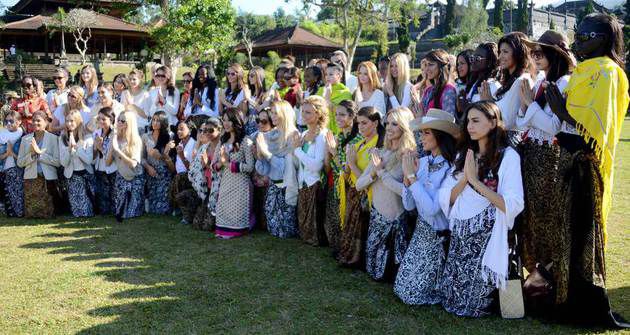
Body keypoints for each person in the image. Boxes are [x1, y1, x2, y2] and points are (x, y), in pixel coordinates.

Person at [544, 13, 629, 327]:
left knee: (583, 234)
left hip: (585, 164)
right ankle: (565, 297)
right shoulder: (583, 71)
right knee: (566, 232)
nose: (577, 41)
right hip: (568, 158)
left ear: (603, 39)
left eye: (585, 36)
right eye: (576, 34)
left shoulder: (607, 73)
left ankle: (586, 304)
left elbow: (598, 126)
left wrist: (562, 111)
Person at [438, 101, 524, 317]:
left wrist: (475, 182)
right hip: (460, 231)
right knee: (452, 300)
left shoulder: (508, 157)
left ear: (493, 122)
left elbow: (512, 203)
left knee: (470, 307)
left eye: (476, 121)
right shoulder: (465, 155)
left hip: (486, 233)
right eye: (468, 121)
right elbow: (447, 197)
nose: (470, 126)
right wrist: (465, 180)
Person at [516, 30, 575, 302]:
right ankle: (537, 277)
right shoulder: (541, 80)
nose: (535, 57)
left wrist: (529, 106)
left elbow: (553, 126)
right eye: (533, 53)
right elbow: (522, 122)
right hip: (531, 155)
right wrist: (526, 108)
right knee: (532, 219)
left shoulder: (564, 83)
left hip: (548, 157)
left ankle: (549, 279)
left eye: (540, 53)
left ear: (555, 54)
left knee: (547, 218)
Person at [394, 108, 459, 305]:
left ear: (441, 136)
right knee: (402, 290)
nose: (421, 137)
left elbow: (432, 210)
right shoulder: (420, 163)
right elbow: (408, 205)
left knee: (411, 295)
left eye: (426, 132)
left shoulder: (452, 170)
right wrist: (407, 180)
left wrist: (412, 179)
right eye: (421, 132)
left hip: (438, 237)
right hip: (420, 234)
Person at [358, 107, 416, 281]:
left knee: (388, 275)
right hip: (376, 218)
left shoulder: (410, 156)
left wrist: (382, 173)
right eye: (388, 123)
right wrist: (374, 173)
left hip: (395, 223)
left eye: (395, 124)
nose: (389, 128)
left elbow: (407, 194)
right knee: (373, 271)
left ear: (404, 127)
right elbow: (359, 184)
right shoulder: (381, 153)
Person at [337, 106, 384, 267]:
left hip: (366, 196)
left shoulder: (378, 147)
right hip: (353, 193)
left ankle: (357, 259)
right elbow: (348, 170)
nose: (360, 127)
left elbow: (367, 178)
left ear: (375, 123)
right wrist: (346, 165)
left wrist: (351, 163)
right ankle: (348, 255)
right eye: (358, 124)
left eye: (364, 123)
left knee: (361, 229)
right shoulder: (359, 143)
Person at [255, 100, 300, 238]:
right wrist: (259, 155)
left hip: (287, 187)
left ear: (284, 114)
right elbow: (264, 170)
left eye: (276, 113)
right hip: (274, 186)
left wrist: (266, 153)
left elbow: (284, 167)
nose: (272, 116)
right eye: (272, 113)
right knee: (274, 227)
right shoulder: (271, 135)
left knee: (285, 231)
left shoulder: (293, 135)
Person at [324, 100, 361, 253]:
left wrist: (333, 152)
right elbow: (331, 165)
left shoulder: (357, 139)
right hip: (336, 185)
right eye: (336, 114)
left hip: (349, 187)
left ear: (352, 117)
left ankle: (346, 252)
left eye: (342, 115)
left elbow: (345, 170)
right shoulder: (339, 136)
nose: (338, 118)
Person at [291, 95, 329, 246]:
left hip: (315, 183)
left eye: (308, 112)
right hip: (303, 183)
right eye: (303, 112)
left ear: (318, 113)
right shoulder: (303, 134)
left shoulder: (322, 136)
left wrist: (298, 151)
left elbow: (316, 166)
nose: (304, 115)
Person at [213, 108, 255, 239]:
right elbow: (214, 165)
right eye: (224, 120)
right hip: (226, 182)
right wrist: (220, 163)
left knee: (237, 215)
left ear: (236, 121)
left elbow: (250, 167)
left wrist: (227, 164)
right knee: (223, 211)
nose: (225, 123)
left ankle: (241, 227)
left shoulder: (245, 141)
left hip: (240, 185)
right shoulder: (222, 140)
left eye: (229, 120)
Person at [482, 33, 533, 137]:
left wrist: (489, 103)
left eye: (505, 52)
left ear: (518, 53)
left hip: (511, 144)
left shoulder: (522, 81)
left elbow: (508, 122)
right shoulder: (508, 82)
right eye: (500, 52)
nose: (500, 57)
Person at [17, 111, 61, 219]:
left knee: (48, 212)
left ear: (46, 122)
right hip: (31, 178)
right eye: (33, 120)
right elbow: (20, 162)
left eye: (38, 120)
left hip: (48, 179)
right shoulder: (25, 139)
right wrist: (32, 156)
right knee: (32, 213)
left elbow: (58, 162)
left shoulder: (53, 139)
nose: (35, 123)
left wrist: (40, 154)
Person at [107, 111, 144, 222]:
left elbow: (133, 164)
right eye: (118, 120)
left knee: (132, 213)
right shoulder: (114, 139)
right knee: (121, 213)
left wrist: (118, 150)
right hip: (121, 177)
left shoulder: (135, 140)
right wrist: (112, 146)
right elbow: (107, 162)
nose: (119, 122)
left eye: (122, 121)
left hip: (135, 177)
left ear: (129, 123)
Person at [187, 117, 223, 231]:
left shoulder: (223, 148)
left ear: (220, 130)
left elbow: (222, 171)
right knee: (197, 224)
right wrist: (203, 167)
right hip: (205, 188)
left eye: (211, 130)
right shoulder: (204, 147)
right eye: (205, 130)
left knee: (207, 227)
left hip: (218, 191)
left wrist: (207, 165)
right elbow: (195, 168)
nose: (207, 133)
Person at [59, 110, 95, 217]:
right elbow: (64, 163)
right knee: (76, 209)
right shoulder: (62, 139)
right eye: (67, 121)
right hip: (71, 175)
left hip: (85, 174)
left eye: (72, 121)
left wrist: (76, 148)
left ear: (79, 121)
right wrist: (69, 151)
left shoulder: (87, 138)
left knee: (86, 208)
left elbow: (89, 160)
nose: (69, 124)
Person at [142, 111, 175, 215]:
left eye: (158, 120)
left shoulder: (169, 136)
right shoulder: (145, 136)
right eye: (154, 119)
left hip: (165, 173)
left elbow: (170, 162)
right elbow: (142, 158)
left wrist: (161, 156)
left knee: (163, 210)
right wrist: (148, 168)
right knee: (153, 209)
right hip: (151, 172)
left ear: (163, 122)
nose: (155, 122)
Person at [458, 43, 500, 122]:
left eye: (477, 58)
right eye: (472, 58)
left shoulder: (493, 85)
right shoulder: (475, 82)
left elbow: (492, 115)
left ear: (489, 61)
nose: (473, 61)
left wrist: (468, 107)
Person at [169, 121, 197, 224]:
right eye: (178, 129)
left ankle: (184, 213)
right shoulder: (179, 144)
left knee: (178, 178)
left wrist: (182, 156)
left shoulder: (194, 144)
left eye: (182, 129)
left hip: (190, 177)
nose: (179, 132)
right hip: (180, 176)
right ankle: (177, 208)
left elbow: (192, 169)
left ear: (189, 130)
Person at [250, 109, 272, 230]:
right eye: (258, 120)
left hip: (269, 174)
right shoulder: (254, 135)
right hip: (256, 173)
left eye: (264, 121)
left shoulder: (275, 136)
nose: (260, 124)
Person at [92, 107, 117, 215]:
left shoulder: (114, 134)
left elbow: (113, 155)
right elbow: (93, 155)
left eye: (104, 119)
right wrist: (96, 147)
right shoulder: (97, 133)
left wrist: (101, 147)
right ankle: (104, 211)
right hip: (99, 167)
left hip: (112, 168)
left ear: (111, 120)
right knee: (102, 192)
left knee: (113, 191)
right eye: (99, 119)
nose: (101, 121)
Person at [0, 111, 24, 217]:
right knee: (8, 191)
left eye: (11, 121)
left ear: (19, 122)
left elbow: (23, 159)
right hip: (4, 168)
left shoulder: (23, 136)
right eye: (7, 121)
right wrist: (7, 153)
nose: (8, 123)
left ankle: (20, 212)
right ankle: (12, 213)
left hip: (17, 167)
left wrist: (11, 153)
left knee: (18, 191)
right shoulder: (2, 136)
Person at [317, 63, 352, 134]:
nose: (327, 77)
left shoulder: (345, 93)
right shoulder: (321, 90)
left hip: (338, 132)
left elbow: (342, 113)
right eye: (326, 74)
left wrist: (327, 97)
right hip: (321, 130)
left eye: (331, 74)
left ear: (339, 75)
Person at [420, 49, 457, 117]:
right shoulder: (428, 90)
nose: (426, 69)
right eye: (426, 65)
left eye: (431, 64)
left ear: (441, 66)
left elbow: (449, 121)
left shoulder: (448, 90)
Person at [122, 69, 150, 133]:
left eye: (134, 79)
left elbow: (146, 115)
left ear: (139, 80)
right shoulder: (125, 93)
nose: (131, 81)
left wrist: (131, 104)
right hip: (127, 124)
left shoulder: (145, 94)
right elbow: (122, 111)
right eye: (130, 79)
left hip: (140, 125)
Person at [301, 66, 324, 131]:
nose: (305, 79)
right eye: (304, 76)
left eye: (308, 76)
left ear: (316, 77)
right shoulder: (307, 91)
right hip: (304, 125)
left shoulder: (320, 92)